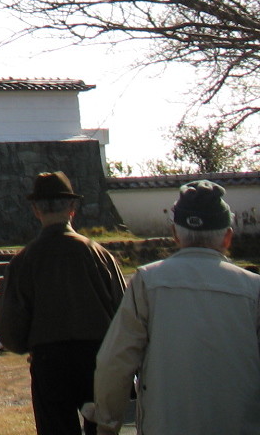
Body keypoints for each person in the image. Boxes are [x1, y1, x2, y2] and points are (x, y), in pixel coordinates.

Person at [87, 180, 260, 434]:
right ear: (228, 236)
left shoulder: (148, 281)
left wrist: (107, 422)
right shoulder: (253, 288)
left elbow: (116, 361)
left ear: (175, 233)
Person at [0, 171, 125, 435]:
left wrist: (24, 344)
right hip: (98, 358)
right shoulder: (99, 254)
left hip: (49, 360)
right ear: (72, 208)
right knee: (103, 429)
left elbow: (10, 324)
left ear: (35, 210)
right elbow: (124, 314)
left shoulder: (23, 261)